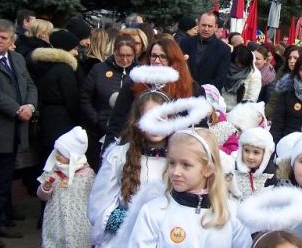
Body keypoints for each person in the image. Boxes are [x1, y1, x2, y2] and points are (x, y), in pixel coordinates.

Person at [128, 128, 252, 247]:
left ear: (208, 170)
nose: (176, 172)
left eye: (186, 165)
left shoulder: (231, 213)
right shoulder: (154, 211)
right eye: (172, 163)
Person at [88, 92, 170, 247]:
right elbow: (97, 208)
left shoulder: (178, 159)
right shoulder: (119, 156)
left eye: (162, 117)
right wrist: (137, 222)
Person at [0, 19, 38, 243]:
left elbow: (29, 84)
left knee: (5, 178)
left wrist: (30, 105)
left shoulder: (17, 59)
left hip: (16, 132)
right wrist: (18, 109)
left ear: (12, 41)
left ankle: (2, 216)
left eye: (3, 38)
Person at [107, 38, 202, 144]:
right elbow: (117, 123)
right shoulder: (133, 85)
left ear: (173, 59)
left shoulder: (192, 88)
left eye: (163, 57)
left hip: (177, 149)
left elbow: (200, 128)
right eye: (154, 56)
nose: (157, 61)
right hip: (137, 146)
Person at [81, 36, 137, 171]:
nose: (124, 60)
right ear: (114, 52)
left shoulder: (139, 72)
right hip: (100, 129)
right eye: (120, 55)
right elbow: (85, 98)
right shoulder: (99, 69)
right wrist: (96, 119)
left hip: (129, 131)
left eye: (129, 56)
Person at [29, 30, 82, 171]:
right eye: (74, 49)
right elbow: (71, 99)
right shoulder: (64, 69)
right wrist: (80, 121)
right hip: (61, 121)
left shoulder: (39, 64)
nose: (76, 53)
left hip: (44, 118)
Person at [36, 126, 95, 247]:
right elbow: (42, 196)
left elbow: (95, 198)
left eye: (61, 153)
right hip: (55, 221)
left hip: (78, 223)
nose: (57, 155)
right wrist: (45, 188)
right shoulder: (52, 171)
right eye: (56, 151)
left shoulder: (87, 175)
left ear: (73, 156)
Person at [180, 11, 232, 90]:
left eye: (210, 26)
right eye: (203, 25)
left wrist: (200, 91)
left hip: (208, 96)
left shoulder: (224, 50)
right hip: (184, 91)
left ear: (216, 27)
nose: (206, 29)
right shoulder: (185, 43)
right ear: (198, 25)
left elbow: (220, 79)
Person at [233, 127, 276, 199]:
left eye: (256, 152)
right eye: (246, 150)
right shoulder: (233, 171)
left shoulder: (271, 175)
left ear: (266, 155)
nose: (250, 157)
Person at [264, 46, 302, 119]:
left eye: (295, 58)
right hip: (283, 118)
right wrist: (264, 117)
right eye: (290, 58)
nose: (292, 61)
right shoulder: (283, 72)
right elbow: (273, 100)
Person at [222, 45, 261, 111]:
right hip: (222, 107)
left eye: (242, 64)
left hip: (239, 110)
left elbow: (252, 98)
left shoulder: (254, 74)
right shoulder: (225, 68)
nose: (239, 66)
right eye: (236, 63)